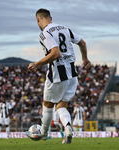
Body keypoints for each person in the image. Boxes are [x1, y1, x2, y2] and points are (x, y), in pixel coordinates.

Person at [27, 8, 91, 144]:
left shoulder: (44, 33)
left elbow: (56, 53)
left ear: (38, 19)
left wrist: (37, 64)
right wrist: (85, 59)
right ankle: (67, 128)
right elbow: (82, 43)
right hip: (72, 75)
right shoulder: (65, 28)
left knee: (47, 104)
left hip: (57, 75)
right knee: (61, 106)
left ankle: (43, 133)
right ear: (50, 17)